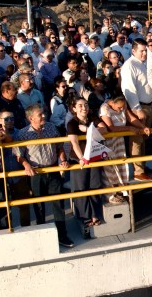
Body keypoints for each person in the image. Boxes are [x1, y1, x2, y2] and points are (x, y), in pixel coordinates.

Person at [13, 104, 74, 248]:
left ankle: (62, 235)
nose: (44, 116)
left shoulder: (51, 128)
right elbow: (18, 155)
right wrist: (26, 165)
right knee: (39, 206)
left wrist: (63, 160)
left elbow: (59, 147)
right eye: (40, 115)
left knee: (58, 203)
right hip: (36, 173)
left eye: (43, 113)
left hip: (52, 169)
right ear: (30, 118)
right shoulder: (22, 134)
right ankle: (43, 236)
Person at [120, 40, 152, 181]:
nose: (144, 53)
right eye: (141, 51)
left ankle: (142, 166)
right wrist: (137, 109)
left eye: (146, 50)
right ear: (133, 51)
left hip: (149, 105)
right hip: (139, 107)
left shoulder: (146, 64)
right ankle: (138, 171)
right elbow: (129, 90)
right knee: (137, 139)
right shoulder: (129, 66)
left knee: (144, 139)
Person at [66, 98, 106, 239]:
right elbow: (74, 142)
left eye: (86, 105)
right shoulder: (72, 123)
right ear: (74, 109)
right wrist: (82, 158)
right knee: (81, 187)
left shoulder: (92, 118)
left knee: (95, 185)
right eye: (80, 105)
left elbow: (104, 129)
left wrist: (89, 129)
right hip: (79, 159)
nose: (84, 108)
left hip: (94, 157)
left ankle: (95, 213)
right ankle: (84, 216)